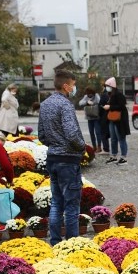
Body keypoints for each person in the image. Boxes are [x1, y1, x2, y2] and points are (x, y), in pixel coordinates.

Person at [38, 70, 88, 245]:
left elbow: (42, 135)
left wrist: (55, 144)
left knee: (56, 203)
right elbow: (72, 133)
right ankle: (72, 244)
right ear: (66, 86)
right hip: (68, 160)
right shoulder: (65, 105)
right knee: (72, 205)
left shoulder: (44, 105)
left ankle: (55, 242)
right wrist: (82, 147)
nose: (74, 88)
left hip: (52, 158)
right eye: (73, 85)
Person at [103, 77, 130, 165]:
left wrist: (110, 107)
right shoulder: (111, 95)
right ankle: (113, 156)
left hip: (119, 120)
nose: (106, 88)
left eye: (107, 86)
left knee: (121, 138)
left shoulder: (119, 95)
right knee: (113, 139)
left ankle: (123, 157)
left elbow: (121, 107)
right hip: (112, 119)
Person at [79, 87, 103, 153]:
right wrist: (86, 102)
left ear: (93, 93)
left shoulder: (96, 96)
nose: (89, 95)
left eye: (90, 93)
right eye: (88, 93)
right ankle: (94, 146)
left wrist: (93, 103)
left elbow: (100, 102)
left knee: (98, 133)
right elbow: (80, 103)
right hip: (89, 117)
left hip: (96, 117)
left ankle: (99, 146)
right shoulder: (86, 97)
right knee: (91, 133)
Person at [97, 83, 111, 154]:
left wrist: (99, 112)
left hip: (104, 117)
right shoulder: (110, 94)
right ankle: (107, 148)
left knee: (103, 133)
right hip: (110, 116)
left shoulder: (104, 95)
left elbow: (100, 106)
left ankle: (106, 149)